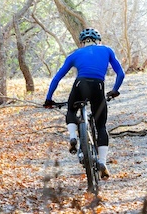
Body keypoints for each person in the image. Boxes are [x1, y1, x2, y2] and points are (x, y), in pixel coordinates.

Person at [43, 28, 125, 179]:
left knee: (71, 110)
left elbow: (56, 78)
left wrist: (48, 99)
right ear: (98, 41)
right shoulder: (107, 50)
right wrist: (115, 90)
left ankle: (73, 136)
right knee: (101, 126)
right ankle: (102, 162)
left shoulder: (75, 54)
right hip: (98, 86)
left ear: (82, 42)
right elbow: (121, 73)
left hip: (80, 85)